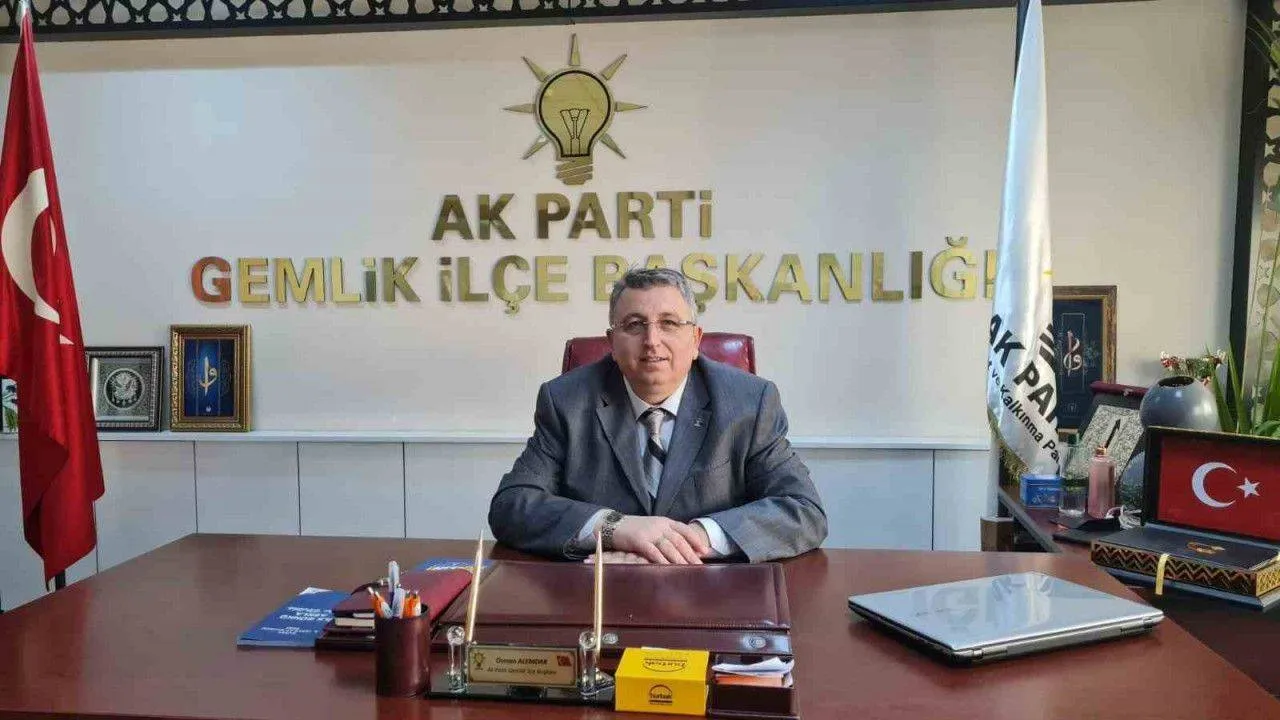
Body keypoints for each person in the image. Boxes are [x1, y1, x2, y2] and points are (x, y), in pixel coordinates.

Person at [488, 268, 827, 564]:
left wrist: (693, 539)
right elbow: (512, 505)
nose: (652, 341)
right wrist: (615, 528)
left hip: (713, 590)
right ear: (612, 343)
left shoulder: (749, 402)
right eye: (635, 325)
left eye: (669, 323)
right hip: (599, 589)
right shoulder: (566, 401)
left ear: (695, 340)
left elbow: (803, 510)